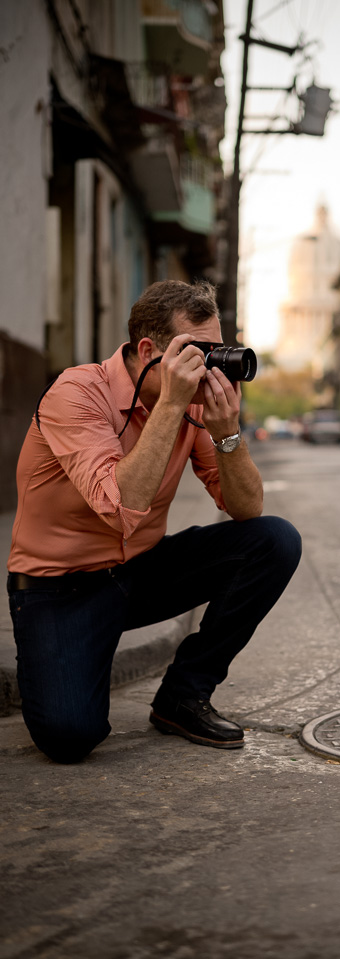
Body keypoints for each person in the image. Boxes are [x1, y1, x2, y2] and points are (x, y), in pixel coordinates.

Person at [6, 279, 302, 763]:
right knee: (70, 737)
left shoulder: (192, 405)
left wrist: (227, 433)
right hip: (59, 588)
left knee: (273, 541)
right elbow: (120, 505)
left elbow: (246, 509)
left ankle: (183, 695)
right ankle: (74, 655)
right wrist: (169, 405)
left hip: (138, 571)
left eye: (217, 350)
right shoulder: (77, 393)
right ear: (150, 351)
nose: (211, 366)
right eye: (198, 352)